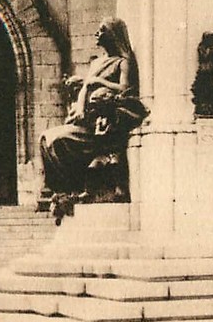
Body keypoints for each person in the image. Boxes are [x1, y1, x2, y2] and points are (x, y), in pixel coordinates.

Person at [40, 19, 146, 199]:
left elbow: (125, 89)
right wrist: (78, 109)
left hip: (102, 122)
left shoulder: (122, 62)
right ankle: (63, 191)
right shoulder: (96, 63)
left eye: (102, 30)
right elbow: (84, 89)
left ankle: (73, 188)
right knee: (46, 139)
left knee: (58, 141)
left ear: (112, 34)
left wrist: (100, 82)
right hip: (85, 119)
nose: (97, 33)